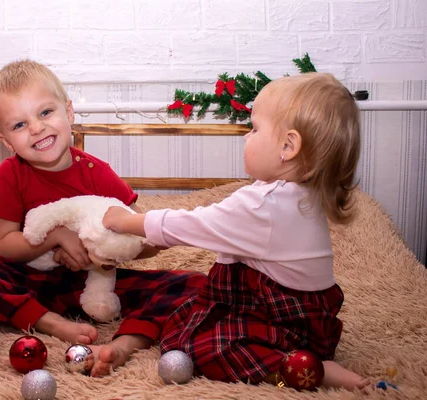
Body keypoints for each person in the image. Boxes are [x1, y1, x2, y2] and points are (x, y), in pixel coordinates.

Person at [0, 60, 205, 377]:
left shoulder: (98, 174)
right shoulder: (11, 174)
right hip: (26, 281)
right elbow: (2, 246)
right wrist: (55, 235)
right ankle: (46, 322)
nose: (36, 128)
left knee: (193, 283)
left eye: (45, 113)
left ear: (69, 113)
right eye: (19, 125)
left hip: (93, 284)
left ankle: (124, 345)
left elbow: (135, 241)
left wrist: (138, 243)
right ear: (6, 141)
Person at [102, 72, 371, 390]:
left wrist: (125, 221)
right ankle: (303, 359)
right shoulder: (296, 193)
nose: (246, 137)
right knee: (190, 303)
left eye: (254, 129)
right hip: (312, 321)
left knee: (201, 346)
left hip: (285, 326)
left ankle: (302, 369)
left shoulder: (263, 205)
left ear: (288, 146)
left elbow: (190, 224)